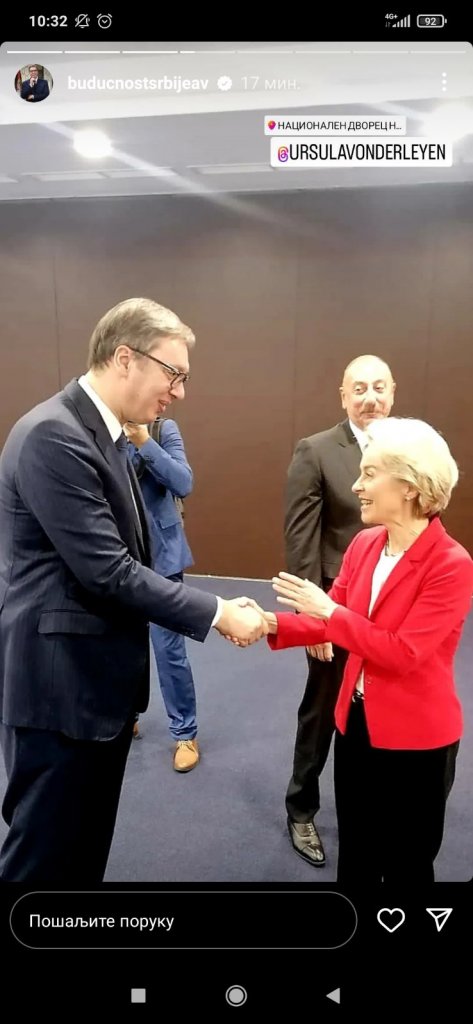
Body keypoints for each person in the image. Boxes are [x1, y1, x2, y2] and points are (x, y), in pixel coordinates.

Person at [0, 296, 267, 883]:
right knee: (42, 861)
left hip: (96, 689)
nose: (179, 392)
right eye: (174, 374)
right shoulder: (54, 435)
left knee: (82, 853)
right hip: (59, 693)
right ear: (125, 358)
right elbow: (110, 572)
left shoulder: (112, 434)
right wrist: (217, 611)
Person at [267, 418, 473, 885]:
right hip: (356, 723)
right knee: (356, 854)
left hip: (418, 741)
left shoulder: (451, 564)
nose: (356, 486)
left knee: (407, 865)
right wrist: (268, 623)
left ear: (410, 485)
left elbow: (402, 652)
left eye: (369, 474)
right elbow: (330, 618)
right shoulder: (364, 544)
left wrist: (330, 612)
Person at [284, 355, 395, 866]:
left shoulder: (405, 448)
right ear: (343, 395)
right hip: (335, 605)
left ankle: (372, 805)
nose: (370, 397)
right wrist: (314, 622)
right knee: (324, 709)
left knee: (380, 706)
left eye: (379, 387)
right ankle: (300, 806)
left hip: (392, 608)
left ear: (392, 392)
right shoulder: (317, 450)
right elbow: (301, 540)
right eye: (360, 388)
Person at [125, 418, 201, 772]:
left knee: (169, 648)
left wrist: (143, 441)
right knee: (120, 642)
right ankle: (126, 714)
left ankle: (185, 733)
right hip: (117, 556)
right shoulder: (101, 430)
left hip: (162, 557)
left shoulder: (162, 429)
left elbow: (183, 482)